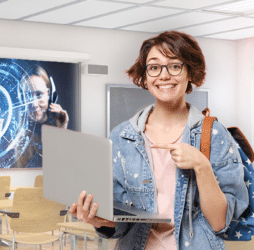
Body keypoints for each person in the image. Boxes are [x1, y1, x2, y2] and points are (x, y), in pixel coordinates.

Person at [69, 31, 249, 249]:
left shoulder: (215, 135)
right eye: (154, 67)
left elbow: (219, 223)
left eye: (174, 66)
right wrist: (98, 220)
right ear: (145, 77)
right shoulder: (122, 137)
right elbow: (122, 224)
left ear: (190, 72)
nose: (163, 75)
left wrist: (201, 165)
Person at [13, 65, 69, 168]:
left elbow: (63, 170)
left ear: (50, 95)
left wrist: (62, 132)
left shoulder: (57, 127)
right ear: (22, 98)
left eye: (39, 94)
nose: (34, 104)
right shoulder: (14, 131)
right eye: (28, 95)